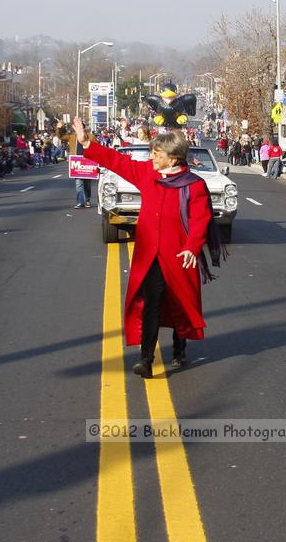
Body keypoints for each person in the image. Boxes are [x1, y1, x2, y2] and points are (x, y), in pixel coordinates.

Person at [71, 116, 223, 377]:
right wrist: (87, 142)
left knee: (181, 305)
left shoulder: (194, 185)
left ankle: (179, 347)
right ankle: (146, 358)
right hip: (149, 255)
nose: (151, 158)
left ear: (173, 158)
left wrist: (191, 247)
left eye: (156, 154)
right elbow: (118, 162)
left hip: (179, 256)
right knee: (150, 304)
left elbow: (200, 220)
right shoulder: (147, 174)